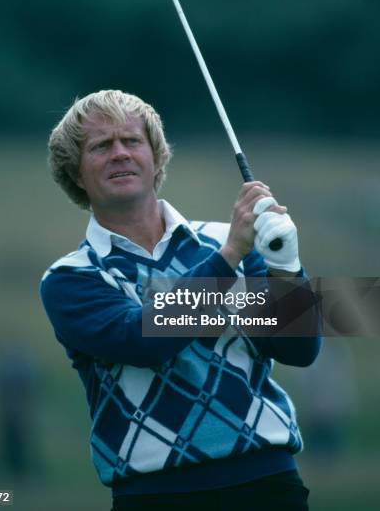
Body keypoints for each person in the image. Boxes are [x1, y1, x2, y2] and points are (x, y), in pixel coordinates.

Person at [40, 89, 321, 511]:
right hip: (155, 494)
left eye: (132, 141)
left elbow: (297, 350)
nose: (120, 153)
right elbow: (143, 340)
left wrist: (287, 266)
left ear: (156, 159)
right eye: (100, 146)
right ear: (76, 173)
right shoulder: (71, 277)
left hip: (267, 479)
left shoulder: (230, 240)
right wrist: (228, 259)